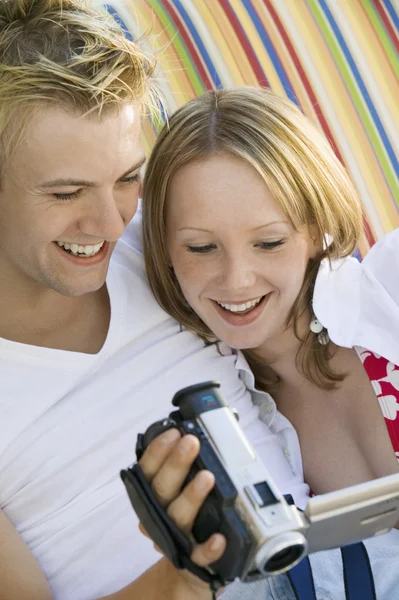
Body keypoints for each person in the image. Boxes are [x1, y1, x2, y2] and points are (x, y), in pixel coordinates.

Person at [0, 3, 311, 600]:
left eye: (125, 178)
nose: (110, 222)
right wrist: (188, 574)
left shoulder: (176, 245)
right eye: (66, 192)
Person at [142, 86, 399, 598]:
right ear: (164, 249)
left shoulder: (388, 288)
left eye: (269, 241)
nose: (237, 279)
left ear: (315, 225)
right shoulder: (224, 419)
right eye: (201, 247)